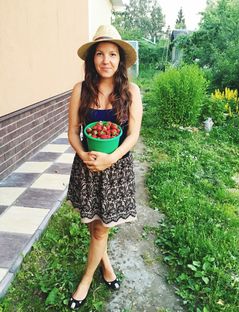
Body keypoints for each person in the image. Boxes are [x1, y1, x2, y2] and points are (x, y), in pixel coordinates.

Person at [66, 24, 143, 310]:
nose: (106, 60)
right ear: (92, 59)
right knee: (95, 224)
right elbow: (74, 132)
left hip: (115, 169)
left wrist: (112, 157)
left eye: (112, 54)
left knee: (101, 229)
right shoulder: (80, 90)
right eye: (100, 54)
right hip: (87, 166)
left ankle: (87, 278)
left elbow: (133, 134)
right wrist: (81, 151)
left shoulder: (131, 91)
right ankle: (105, 264)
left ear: (120, 60)